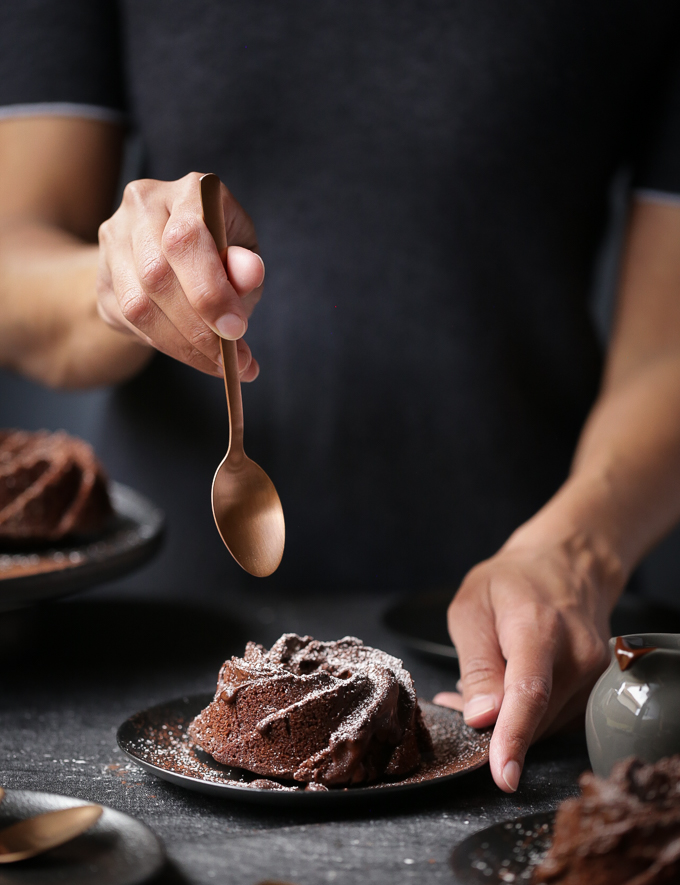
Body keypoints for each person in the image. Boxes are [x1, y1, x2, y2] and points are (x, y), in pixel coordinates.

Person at [1, 1, 680, 793]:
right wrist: (117, 285)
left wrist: (579, 550)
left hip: (511, 642)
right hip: (148, 642)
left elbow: (665, 346)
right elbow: (15, 263)